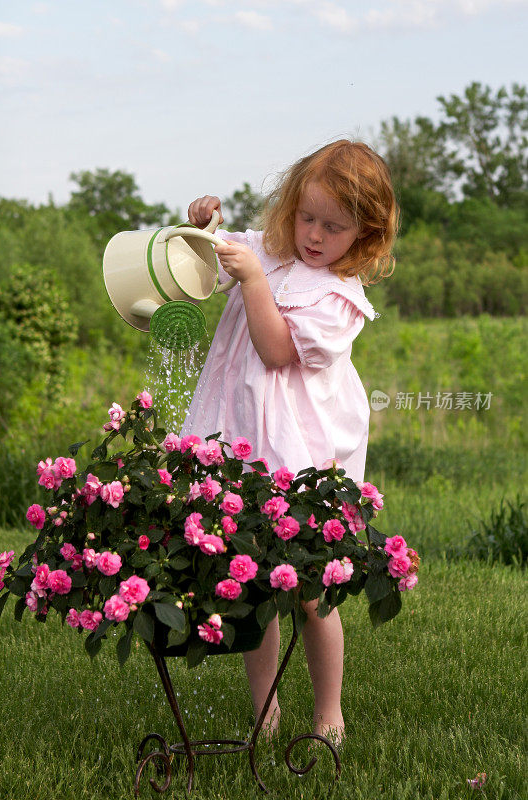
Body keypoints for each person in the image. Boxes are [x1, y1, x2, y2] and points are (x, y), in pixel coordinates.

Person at [183, 139, 399, 745]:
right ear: (292, 206)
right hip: (241, 433)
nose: (314, 235)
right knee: (252, 583)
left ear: (362, 235)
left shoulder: (337, 299)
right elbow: (201, 272)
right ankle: (265, 708)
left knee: (311, 590)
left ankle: (328, 710)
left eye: (334, 227)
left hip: (299, 454)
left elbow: (276, 350)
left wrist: (251, 278)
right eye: (307, 217)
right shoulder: (264, 253)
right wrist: (201, 229)